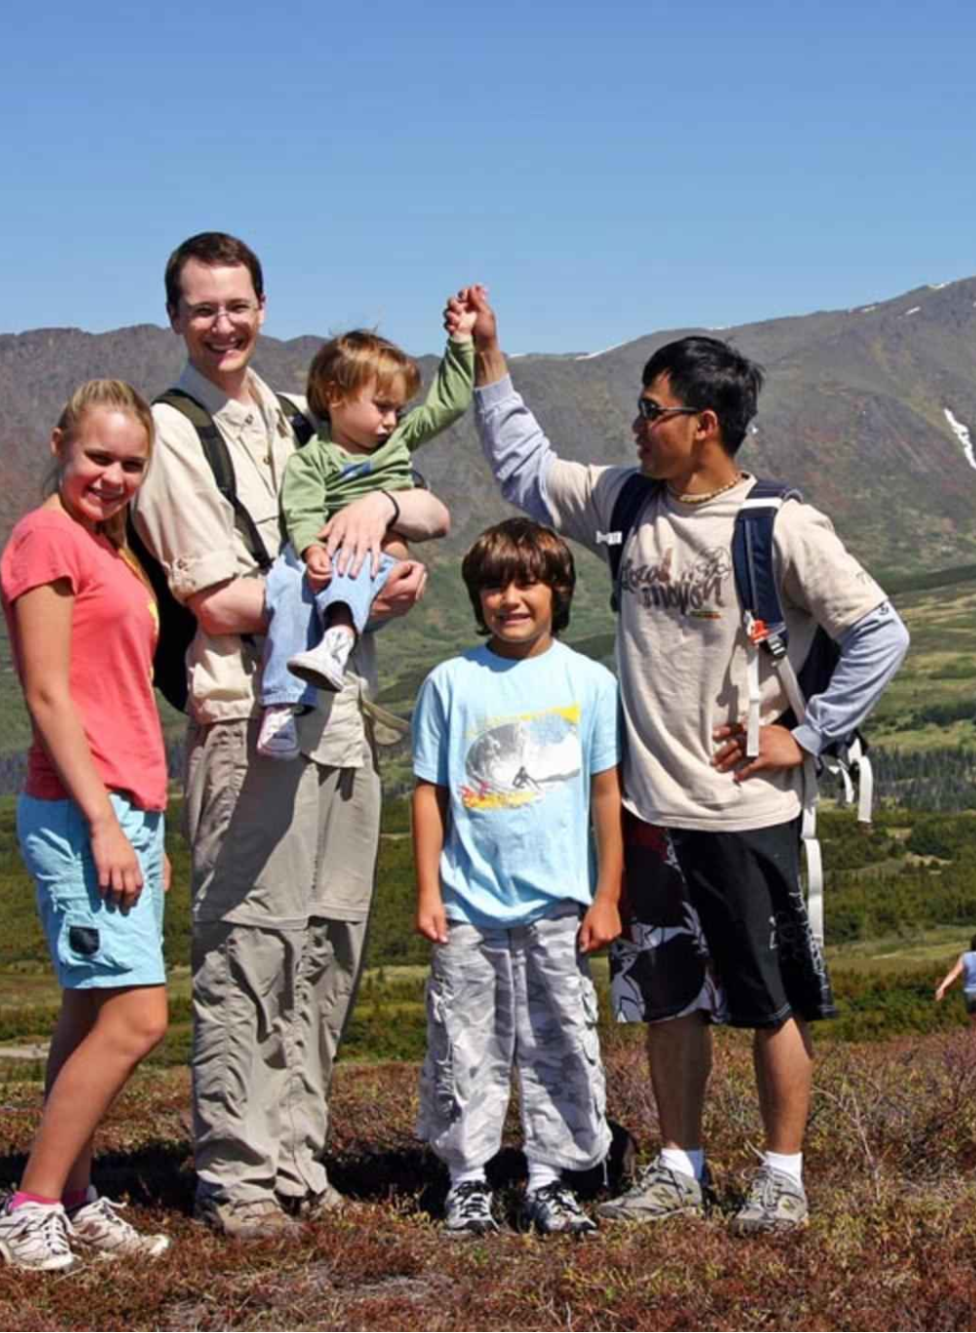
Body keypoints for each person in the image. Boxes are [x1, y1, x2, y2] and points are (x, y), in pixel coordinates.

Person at [460, 285, 910, 1235]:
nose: (636, 426)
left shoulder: (779, 527)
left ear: (704, 425)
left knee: (769, 1001)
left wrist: (809, 734)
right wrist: (489, 358)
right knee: (668, 998)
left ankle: (781, 1176)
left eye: (650, 410)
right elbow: (525, 470)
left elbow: (878, 632)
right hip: (650, 813)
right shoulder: (627, 504)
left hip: (746, 813)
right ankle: (678, 1167)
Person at [129, 232, 435, 1240]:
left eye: (238, 304)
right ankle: (237, 1170)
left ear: (264, 306)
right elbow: (216, 598)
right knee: (248, 944)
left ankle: (300, 1153)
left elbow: (401, 526)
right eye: (203, 308)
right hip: (241, 715)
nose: (224, 324)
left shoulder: (302, 419)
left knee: (328, 941)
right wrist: (361, 581)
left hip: (343, 710)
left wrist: (385, 533)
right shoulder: (172, 434)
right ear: (177, 318)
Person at [0, 380, 173, 1271]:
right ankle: (26, 1209)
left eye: (131, 463)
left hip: (122, 808)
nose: (113, 476)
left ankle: (73, 1195)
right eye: (98, 456)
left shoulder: (109, 545)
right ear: (60, 441)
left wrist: (144, 824)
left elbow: (121, 696)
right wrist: (103, 822)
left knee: (92, 1007)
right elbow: (49, 694)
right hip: (79, 808)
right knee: (139, 1018)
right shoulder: (46, 538)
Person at [410, 519, 624, 1237]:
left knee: (558, 1037)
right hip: (469, 904)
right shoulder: (450, 683)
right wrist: (428, 890)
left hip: (559, 906)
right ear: (476, 596)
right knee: (464, 1040)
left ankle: (548, 1175)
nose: (510, 598)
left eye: (526, 582)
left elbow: (604, 794)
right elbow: (427, 793)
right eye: (494, 585)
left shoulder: (591, 683)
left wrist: (606, 894)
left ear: (557, 589)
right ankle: (466, 1177)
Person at [256, 325, 473, 760]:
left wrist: (461, 343)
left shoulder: (395, 442)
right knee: (284, 583)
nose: (392, 420)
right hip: (328, 551)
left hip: (374, 558)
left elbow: (449, 403)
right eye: (382, 407)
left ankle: (337, 639)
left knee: (355, 567)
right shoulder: (311, 460)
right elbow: (303, 511)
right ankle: (281, 703)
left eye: (398, 409)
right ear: (336, 397)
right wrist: (311, 550)